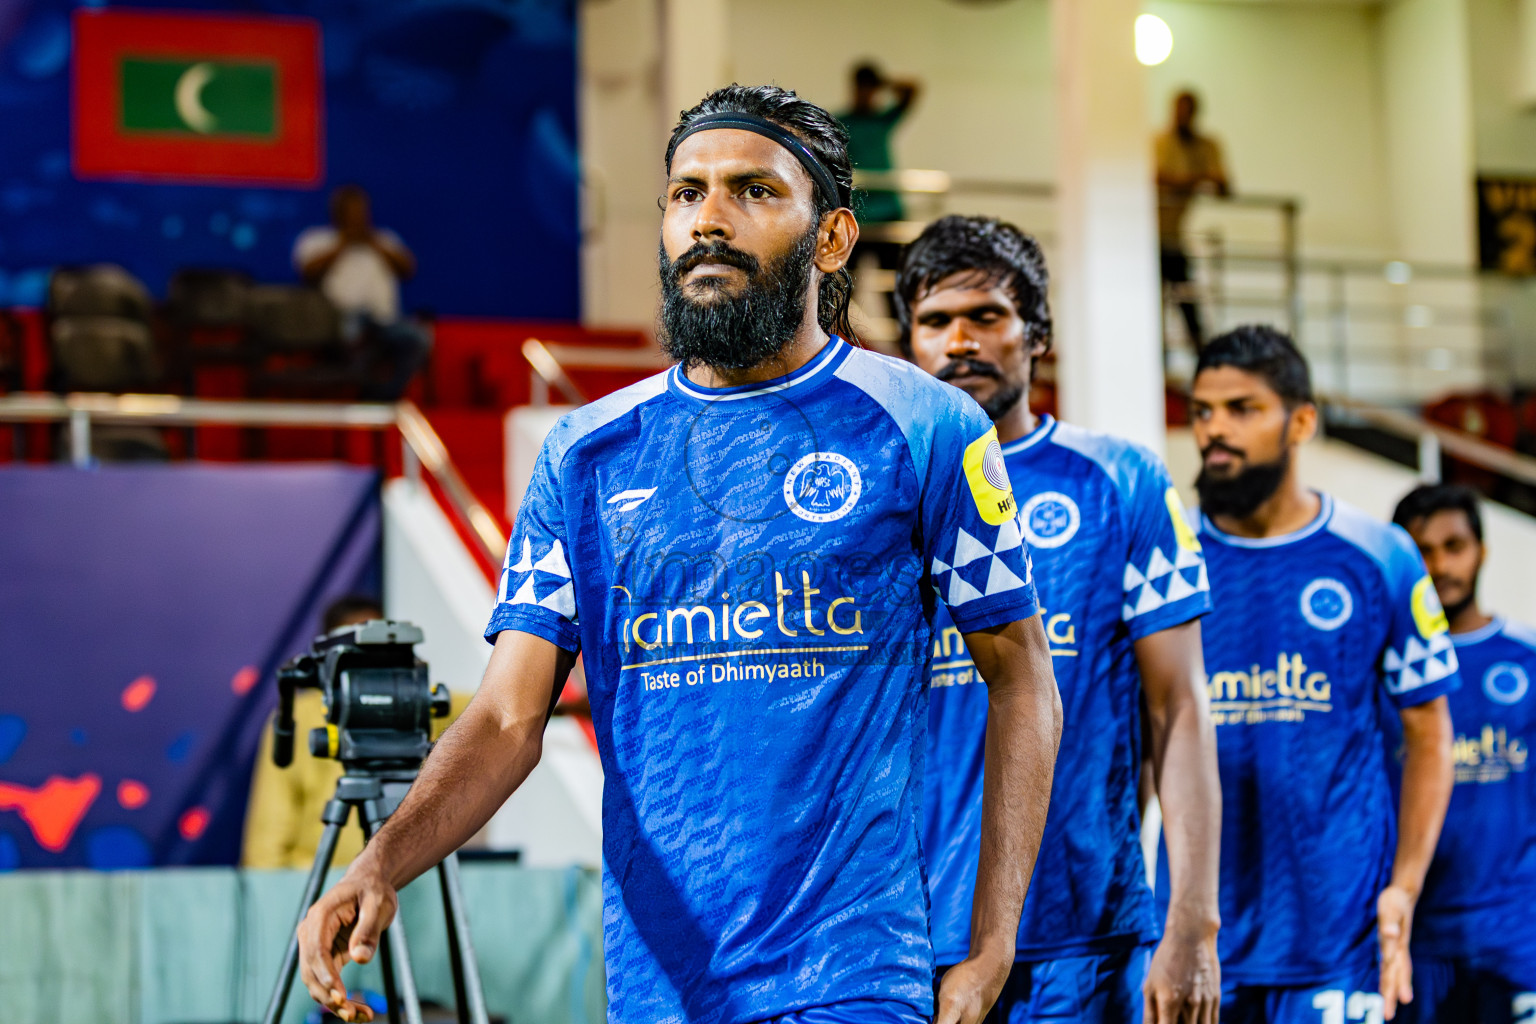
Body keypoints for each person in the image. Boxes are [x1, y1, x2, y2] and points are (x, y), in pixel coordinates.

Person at [295, 83, 1063, 1024]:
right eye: (686, 193)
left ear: (831, 240)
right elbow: (505, 718)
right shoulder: (585, 453)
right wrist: (382, 861)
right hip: (659, 988)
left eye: (754, 191)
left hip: (852, 979)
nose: (710, 219)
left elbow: (1022, 676)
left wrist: (991, 946)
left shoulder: (925, 424)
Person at [897, 215, 1222, 1024]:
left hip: (1081, 935)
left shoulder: (1120, 481)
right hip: (899, 933)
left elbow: (1177, 709)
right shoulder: (878, 493)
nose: (959, 342)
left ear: (1036, 334)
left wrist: (1191, 919)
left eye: (987, 317)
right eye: (936, 321)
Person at [1187, 325, 1457, 1023]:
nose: (1215, 430)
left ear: (1302, 421)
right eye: (1202, 411)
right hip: (1196, 935)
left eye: (1242, 409)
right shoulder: (1171, 555)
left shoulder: (1380, 554)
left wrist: (1404, 887)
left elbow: (1430, 735)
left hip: (1341, 934)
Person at [1390, 484, 1536, 1024]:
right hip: (1414, 938)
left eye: (1455, 546)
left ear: (1482, 551)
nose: (1440, 564)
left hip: (1517, 937)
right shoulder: (1377, 671)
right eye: (1423, 550)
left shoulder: (1526, 660)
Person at [243, 595, 466, 870]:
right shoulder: (302, 716)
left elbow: (493, 710)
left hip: (401, 880)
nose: (370, 668)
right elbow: (267, 840)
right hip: (323, 881)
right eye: (359, 657)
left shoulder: (412, 706)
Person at [294, 184, 428, 400]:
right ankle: (357, 392)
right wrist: (343, 243)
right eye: (350, 211)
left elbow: (408, 268)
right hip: (340, 320)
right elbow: (309, 272)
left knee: (418, 339)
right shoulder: (318, 239)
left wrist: (374, 242)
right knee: (354, 337)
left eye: (361, 211)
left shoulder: (383, 239)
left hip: (385, 322)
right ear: (336, 213)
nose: (357, 217)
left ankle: (378, 398)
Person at [1155, 91, 1229, 350]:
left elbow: (1224, 186)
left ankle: (1202, 363)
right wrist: (1196, 179)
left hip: (1173, 239)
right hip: (1150, 239)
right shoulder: (1161, 143)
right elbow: (1156, 178)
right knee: (1153, 309)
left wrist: (1196, 178)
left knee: (1187, 305)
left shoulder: (1205, 147)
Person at [838, 62, 921, 226]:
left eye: (871, 89)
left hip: (888, 208)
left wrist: (883, 82)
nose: (867, 94)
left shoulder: (880, 120)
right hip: (856, 210)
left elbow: (912, 90)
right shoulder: (840, 122)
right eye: (863, 88)